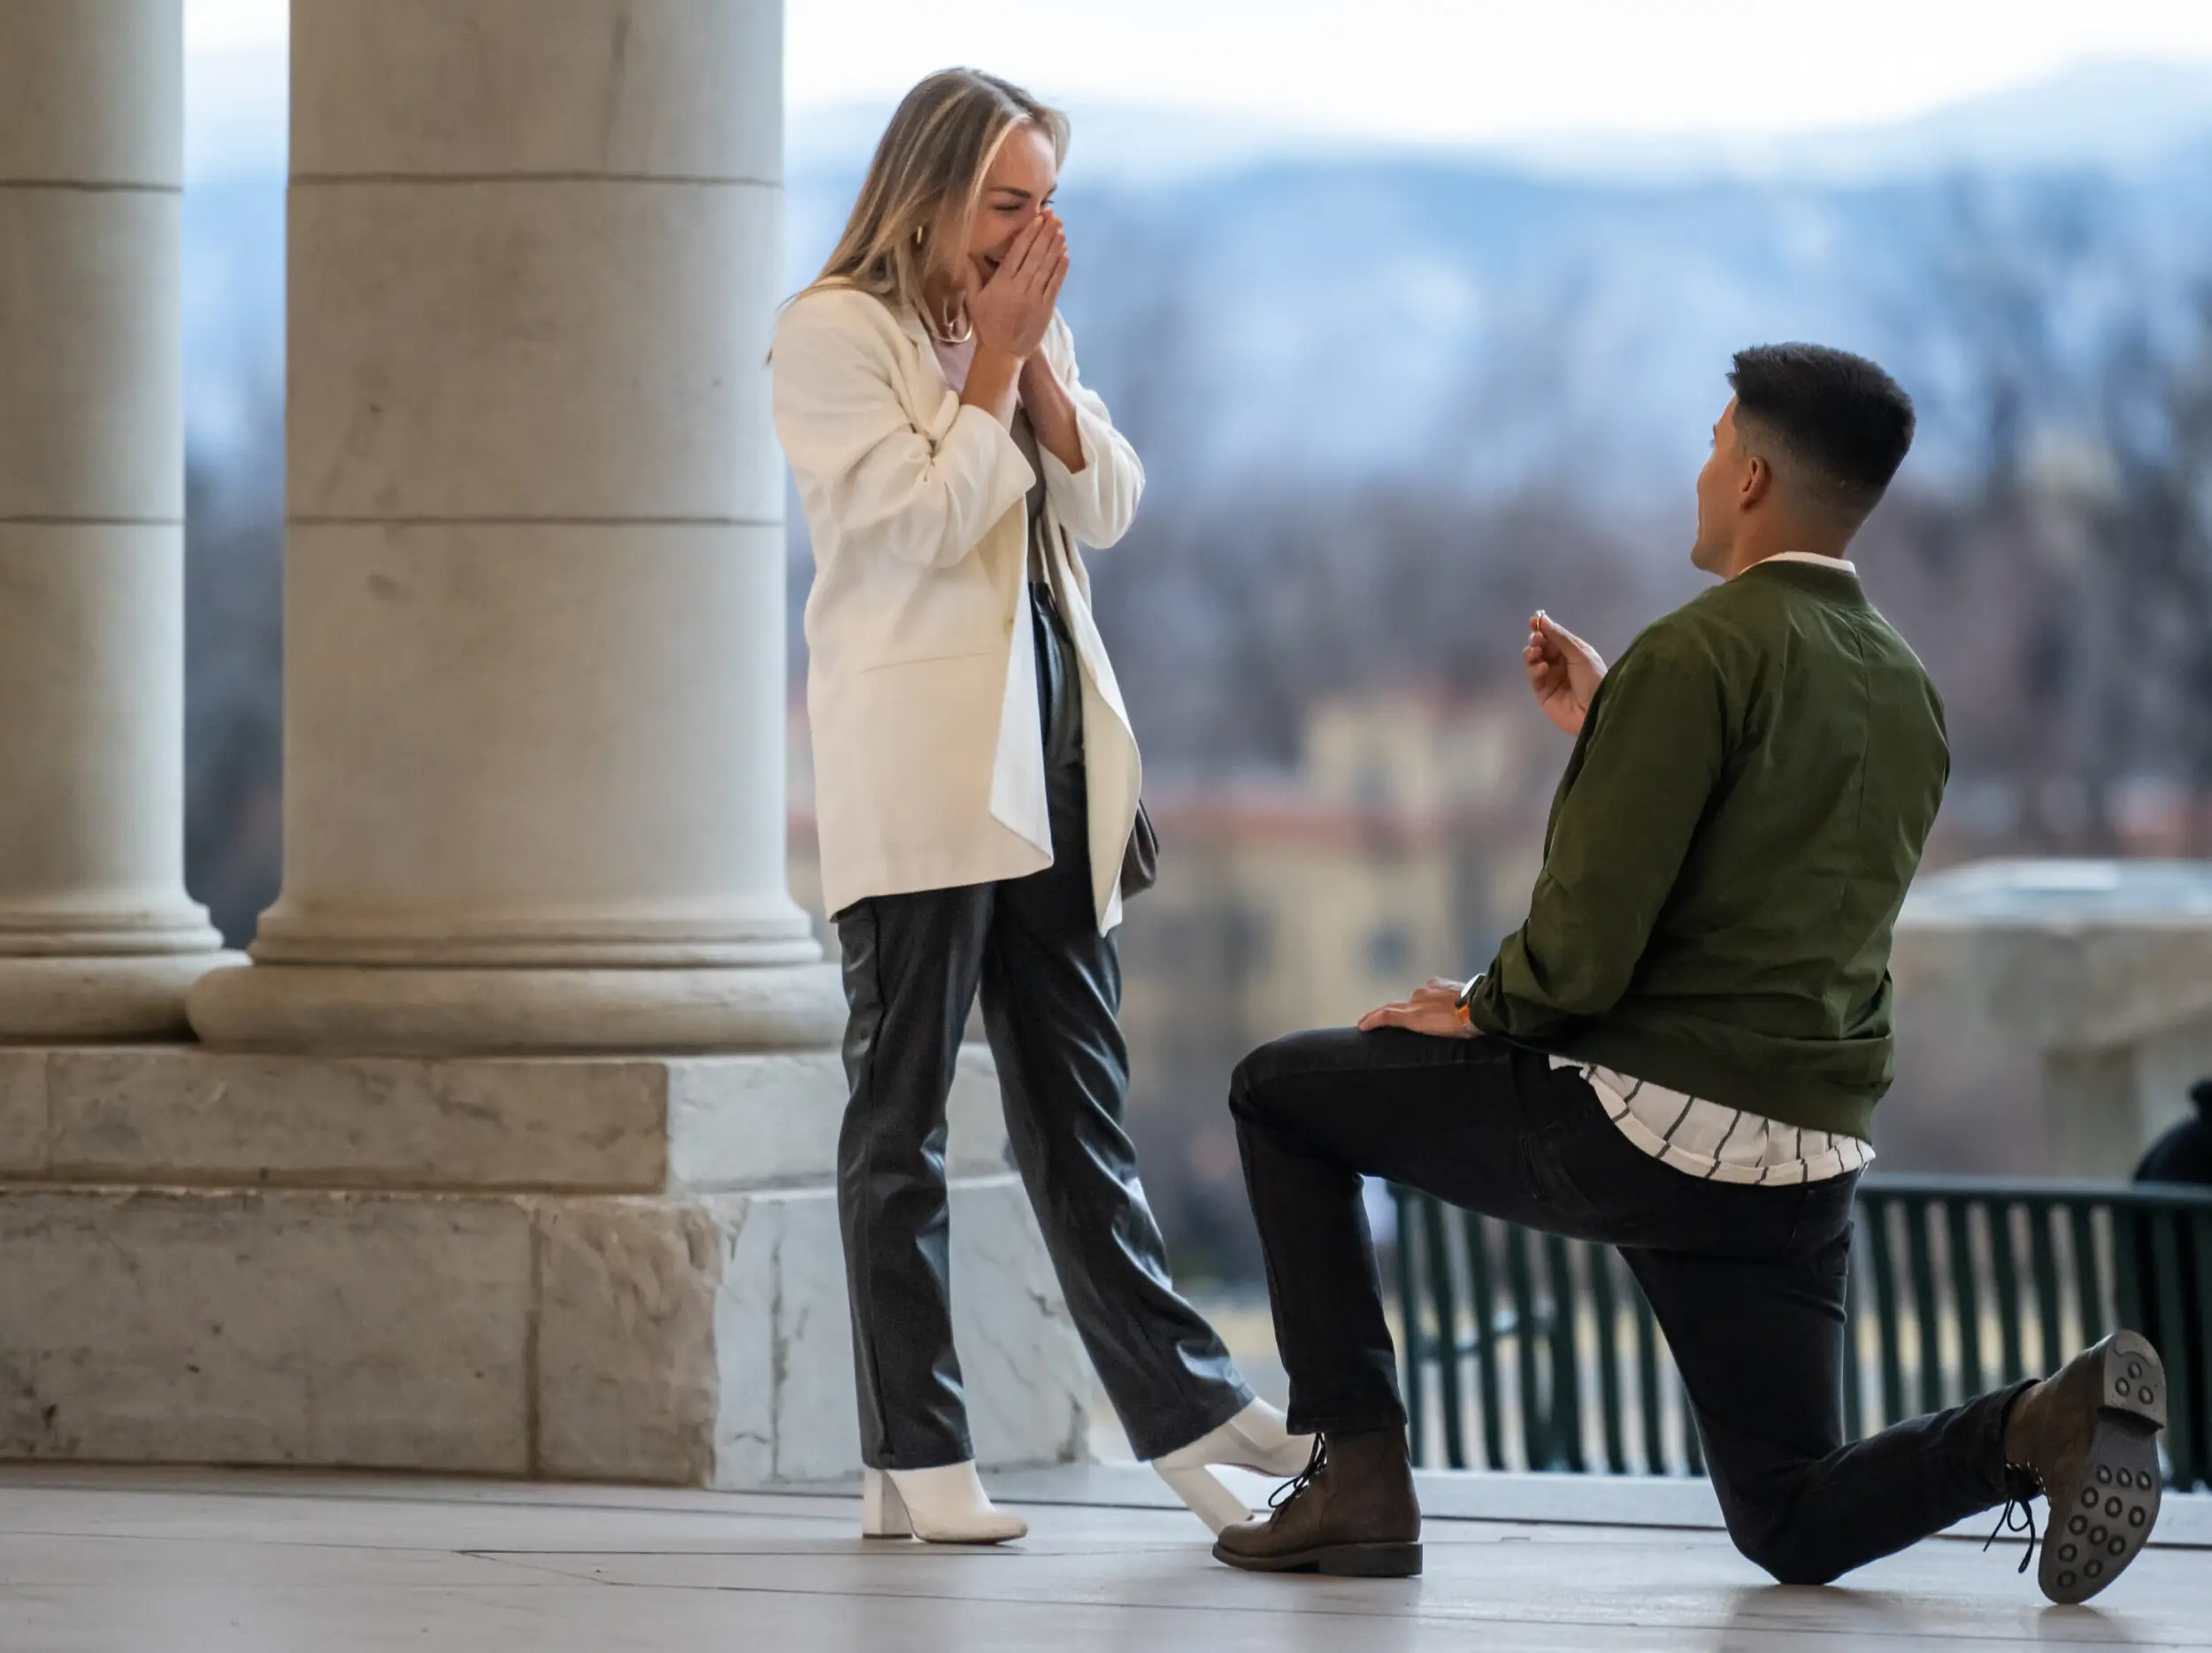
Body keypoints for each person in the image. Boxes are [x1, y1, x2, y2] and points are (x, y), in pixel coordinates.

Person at [1213, 344, 2170, 1602]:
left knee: (1281, 1094)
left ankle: (1359, 1481)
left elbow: (1586, 943)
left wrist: (1484, 1007)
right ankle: (2034, 1425)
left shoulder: (1698, 653)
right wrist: (1621, 721)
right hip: (1803, 1158)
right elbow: (1763, 868)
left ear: (1758, 473)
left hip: (1644, 1123)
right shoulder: (1906, 690)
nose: (1704, 467)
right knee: (1789, 1518)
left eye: (1718, 443)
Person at [770, 69, 1308, 1546]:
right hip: (926, 775)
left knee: (1081, 1110)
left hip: (1060, 765)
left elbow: (1108, 504)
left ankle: (1187, 1407)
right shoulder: (833, 336)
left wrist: (1037, 370)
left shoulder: (1024, 328)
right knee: (903, 1124)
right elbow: (919, 524)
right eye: (1008, 201)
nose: (1032, 230)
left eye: (1046, 202)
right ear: (931, 192)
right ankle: (918, 1453)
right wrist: (993, 369)